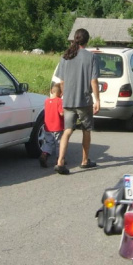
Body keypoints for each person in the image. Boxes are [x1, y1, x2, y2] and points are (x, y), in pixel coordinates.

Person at [53, 28, 100, 175]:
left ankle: (60, 161)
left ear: (75, 39)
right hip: (84, 100)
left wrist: (65, 94)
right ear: (86, 41)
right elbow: (93, 81)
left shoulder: (65, 56)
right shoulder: (90, 57)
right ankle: (85, 161)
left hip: (68, 100)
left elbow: (61, 81)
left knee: (67, 130)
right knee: (86, 130)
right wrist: (97, 99)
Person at [39, 83, 64, 168]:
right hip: (57, 127)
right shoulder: (59, 101)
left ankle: (44, 154)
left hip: (47, 127)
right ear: (61, 94)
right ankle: (59, 159)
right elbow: (61, 113)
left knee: (49, 142)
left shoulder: (46, 101)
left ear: (51, 91)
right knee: (58, 143)